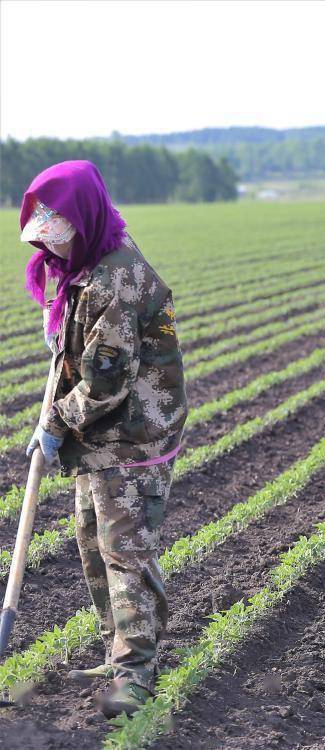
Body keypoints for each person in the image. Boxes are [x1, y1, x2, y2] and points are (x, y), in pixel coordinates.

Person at [20, 161, 188, 718]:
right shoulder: (88, 268)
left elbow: (106, 384)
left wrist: (53, 423)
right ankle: (118, 650)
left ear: (84, 218)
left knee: (125, 552)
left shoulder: (116, 280)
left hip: (133, 434)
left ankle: (135, 673)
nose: (51, 246)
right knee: (92, 540)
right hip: (102, 436)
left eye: (57, 230)